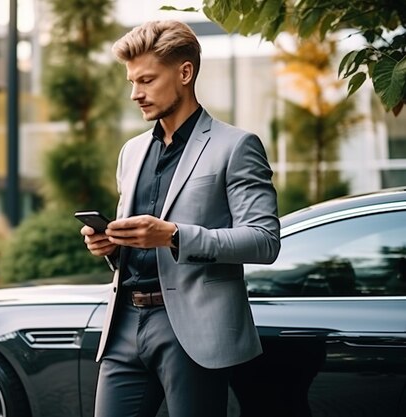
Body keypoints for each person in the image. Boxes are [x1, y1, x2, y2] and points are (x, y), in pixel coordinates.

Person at [80, 20, 281, 417]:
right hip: (123, 325)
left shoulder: (236, 146)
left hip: (194, 330)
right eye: (131, 82)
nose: (135, 94)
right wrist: (110, 245)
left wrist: (173, 235)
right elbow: (136, 248)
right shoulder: (132, 152)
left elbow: (264, 240)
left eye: (147, 80)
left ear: (185, 73)